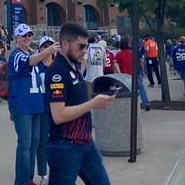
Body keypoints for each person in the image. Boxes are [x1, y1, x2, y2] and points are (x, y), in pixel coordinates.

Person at [46, 23, 116, 184]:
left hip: (85, 143)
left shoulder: (74, 67)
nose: (84, 51)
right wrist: (93, 104)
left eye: (86, 46)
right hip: (65, 146)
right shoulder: (57, 71)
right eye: (81, 46)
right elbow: (58, 115)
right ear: (65, 44)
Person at [8, 24, 60, 185]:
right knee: (25, 144)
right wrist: (48, 51)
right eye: (24, 35)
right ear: (16, 37)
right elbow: (28, 62)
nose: (27, 38)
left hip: (36, 105)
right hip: (23, 105)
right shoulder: (16, 55)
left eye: (29, 35)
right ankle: (22, 181)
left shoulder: (32, 54)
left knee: (34, 143)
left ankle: (29, 178)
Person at [36, 36, 56, 185]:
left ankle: (59, 171)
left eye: (50, 46)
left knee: (58, 140)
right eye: (45, 46)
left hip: (58, 108)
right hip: (42, 108)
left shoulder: (58, 65)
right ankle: (43, 173)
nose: (48, 49)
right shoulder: (36, 66)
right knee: (43, 141)